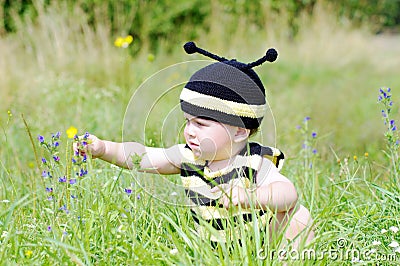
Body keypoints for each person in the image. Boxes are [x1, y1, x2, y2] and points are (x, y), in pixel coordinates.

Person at [78, 41, 314, 248]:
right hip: (211, 247)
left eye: (201, 124)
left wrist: (250, 196)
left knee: (298, 215)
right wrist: (104, 149)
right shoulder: (188, 157)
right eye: (187, 122)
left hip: (257, 242)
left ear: (240, 131)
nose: (189, 131)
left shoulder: (253, 163)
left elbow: (288, 193)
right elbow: (143, 156)